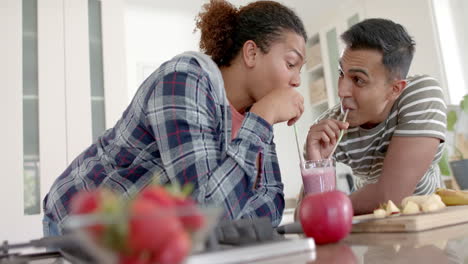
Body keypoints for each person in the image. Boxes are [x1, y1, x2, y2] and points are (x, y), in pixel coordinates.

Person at [43, 0, 307, 235]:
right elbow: (206, 215)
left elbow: (272, 205)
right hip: (81, 223)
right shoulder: (185, 80)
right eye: (291, 64)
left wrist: (221, 221)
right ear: (251, 53)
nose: (296, 81)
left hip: (144, 236)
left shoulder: (256, 116)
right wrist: (263, 117)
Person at [299, 18, 446, 215]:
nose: (342, 91)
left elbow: (391, 195)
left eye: (358, 80)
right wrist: (317, 164)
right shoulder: (329, 130)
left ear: (394, 89)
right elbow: (305, 218)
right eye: (341, 73)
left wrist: (328, 208)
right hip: (375, 228)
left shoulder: (421, 94)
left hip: (429, 221)